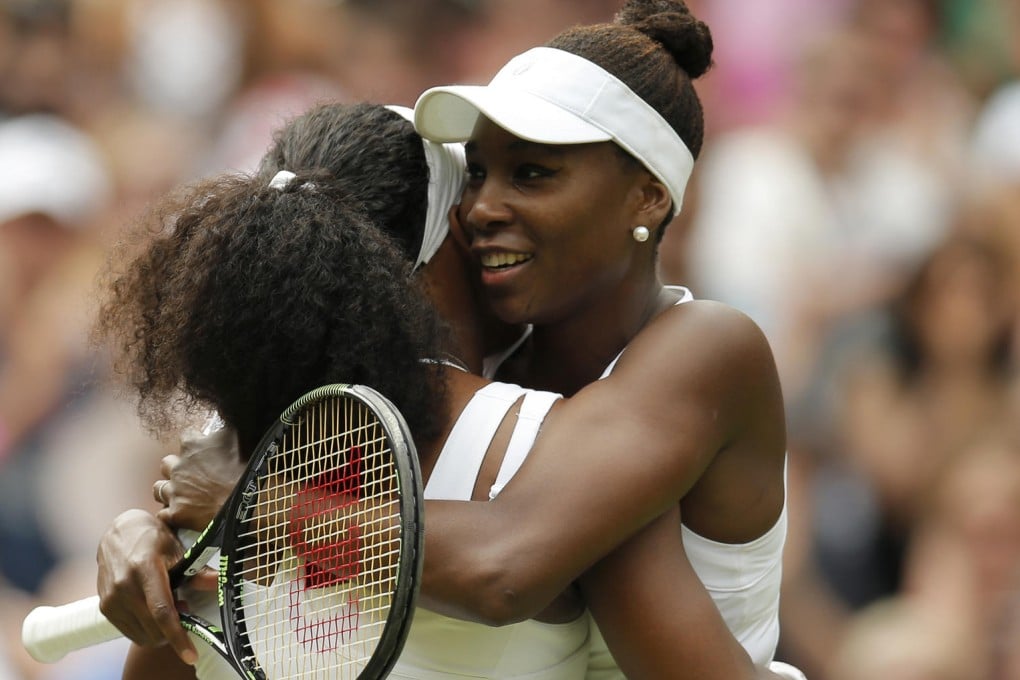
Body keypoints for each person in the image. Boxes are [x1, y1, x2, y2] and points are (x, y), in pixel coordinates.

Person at [97, 1, 804, 673]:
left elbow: (505, 565)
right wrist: (156, 531)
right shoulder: (491, 385)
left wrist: (254, 506)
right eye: (479, 174)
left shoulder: (710, 345)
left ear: (647, 196)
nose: (483, 207)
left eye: (533, 173)